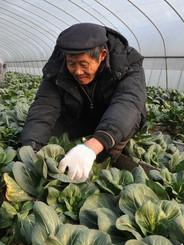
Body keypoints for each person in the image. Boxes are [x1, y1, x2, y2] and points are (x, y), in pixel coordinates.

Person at [20, 23, 146, 183]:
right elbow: (45, 106)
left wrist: (93, 146)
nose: (78, 71)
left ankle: (104, 159)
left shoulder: (127, 62)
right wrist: (31, 148)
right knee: (45, 139)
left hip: (112, 117)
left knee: (111, 143)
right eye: (71, 64)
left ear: (102, 55)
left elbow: (128, 103)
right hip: (78, 115)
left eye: (84, 64)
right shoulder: (56, 66)